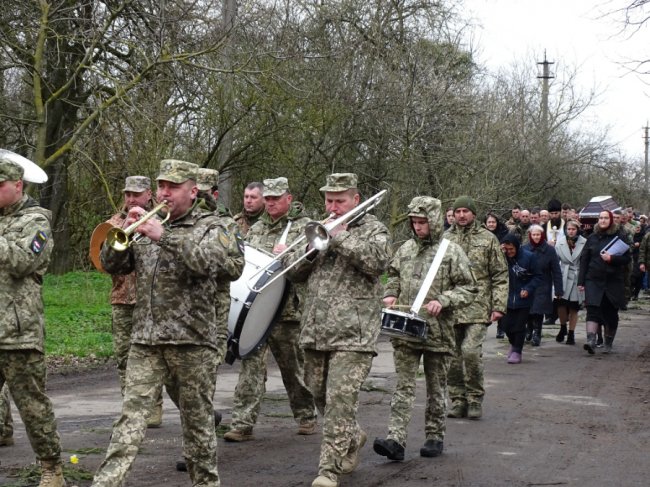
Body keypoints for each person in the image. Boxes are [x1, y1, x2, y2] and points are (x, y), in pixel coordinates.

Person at [92, 159, 243, 487]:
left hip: (192, 341)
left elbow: (228, 266)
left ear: (192, 190)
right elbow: (111, 264)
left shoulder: (215, 225)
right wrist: (123, 232)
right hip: (146, 340)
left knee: (198, 427)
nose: (164, 193)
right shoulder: (147, 223)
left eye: (172, 187)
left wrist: (166, 237)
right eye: (161, 186)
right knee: (128, 422)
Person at [283, 173, 391, 487]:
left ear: (355, 200)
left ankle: (328, 470)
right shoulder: (315, 227)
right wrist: (314, 247)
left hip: (355, 334)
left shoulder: (374, 230)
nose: (332, 206)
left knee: (340, 401)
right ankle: (352, 436)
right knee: (318, 393)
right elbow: (291, 271)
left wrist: (340, 237)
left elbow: (378, 263)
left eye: (339, 200)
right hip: (316, 329)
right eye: (329, 200)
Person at [373, 196, 476, 462]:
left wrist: (443, 300)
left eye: (422, 222)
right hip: (406, 330)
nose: (418, 227)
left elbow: (469, 288)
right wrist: (390, 294)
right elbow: (393, 275)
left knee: (436, 387)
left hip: (438, 332)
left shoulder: (451, 251)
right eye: (414, 222)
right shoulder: (405, 249)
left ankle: (434, 435)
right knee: (403, 386)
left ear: (434, 221)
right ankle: (396, 439)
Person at [224, 177, 317, 442]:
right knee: (251, 367)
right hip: (256, 311)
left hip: (288, 310)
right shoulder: (258, 227)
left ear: (289, 198)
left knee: (293, 368)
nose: (272, 203)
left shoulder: (304, 227)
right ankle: (242, 423)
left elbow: (305, 268)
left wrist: (289, 252)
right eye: (270, 199)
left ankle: (306, 415)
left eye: (277, 199)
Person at [0, 156, 66, 486]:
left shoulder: (36, 221)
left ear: (17, 185)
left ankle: (52, 468)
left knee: (32, 405)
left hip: (18, 332)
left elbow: (25, 260)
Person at [105, 176, 164, 427]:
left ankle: (154, 408)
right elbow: (104, 261)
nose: (131, 199)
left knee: (153, 356)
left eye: (136, 194)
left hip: (150, 300)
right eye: (127, 194)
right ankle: (129, 407)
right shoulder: (114, 223)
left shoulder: (160, 221)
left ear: (148, 195)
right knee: (123, 356)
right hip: (121, 298)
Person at [444, 196, 507, 420]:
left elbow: (500, 274)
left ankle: (474, 399)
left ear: (473, 213)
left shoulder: (487, 238)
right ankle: (457, 399)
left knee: (470, 352)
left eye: (466, 211)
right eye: (458, 211)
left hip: (478, 306)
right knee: (452, 356)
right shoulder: (445, 238)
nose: (461, 215)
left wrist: (498, 305)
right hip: (451, 306)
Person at [578, 210, 631, 355]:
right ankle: (591, 341)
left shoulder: (620, 237)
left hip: (612, 281)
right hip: (593, 280)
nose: (602, 220)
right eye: (600, 218)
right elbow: (584, 260)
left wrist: (612, 259)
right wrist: (581, 281)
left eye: (606, 218)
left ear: (611, 220)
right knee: (592, 310)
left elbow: (627, 259)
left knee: (610, 313)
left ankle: (608, 342)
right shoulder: (592, 238)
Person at [500, 233, 542, 364]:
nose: (509, 252)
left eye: (511, 249)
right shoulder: (501, 257)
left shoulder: (529, 257)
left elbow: (538, 276)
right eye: (506, 249)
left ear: (517, 247)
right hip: (505, 296)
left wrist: (528, 289)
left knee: (519, 325)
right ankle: (513, 344)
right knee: (505, 325)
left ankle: (517, 350)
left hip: (523, 297)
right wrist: (500, 254)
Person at [523, 225, 563, 346]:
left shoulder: (550, 250)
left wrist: (558, 289)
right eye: (534, 235)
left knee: (538, 311)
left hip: (543, 283)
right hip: (528, 283)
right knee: (528, 309)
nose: (536, 237)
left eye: (538, 235)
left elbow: (556, 270)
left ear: (542, 235)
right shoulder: (524, 249)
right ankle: (529, 329)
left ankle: (537, 333)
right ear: (530, 235)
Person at [554, 220, 587, 345]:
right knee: (561, 304)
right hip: (563, 275)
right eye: (569, 229)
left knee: (574, 306)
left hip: (577, 276)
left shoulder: (584, 242)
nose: (571, 231)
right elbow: (556, 260)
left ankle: (572, 333)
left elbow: (585, 261)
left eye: (573, 229)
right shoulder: (560, 242)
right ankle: (563, 328)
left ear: (577, 230)